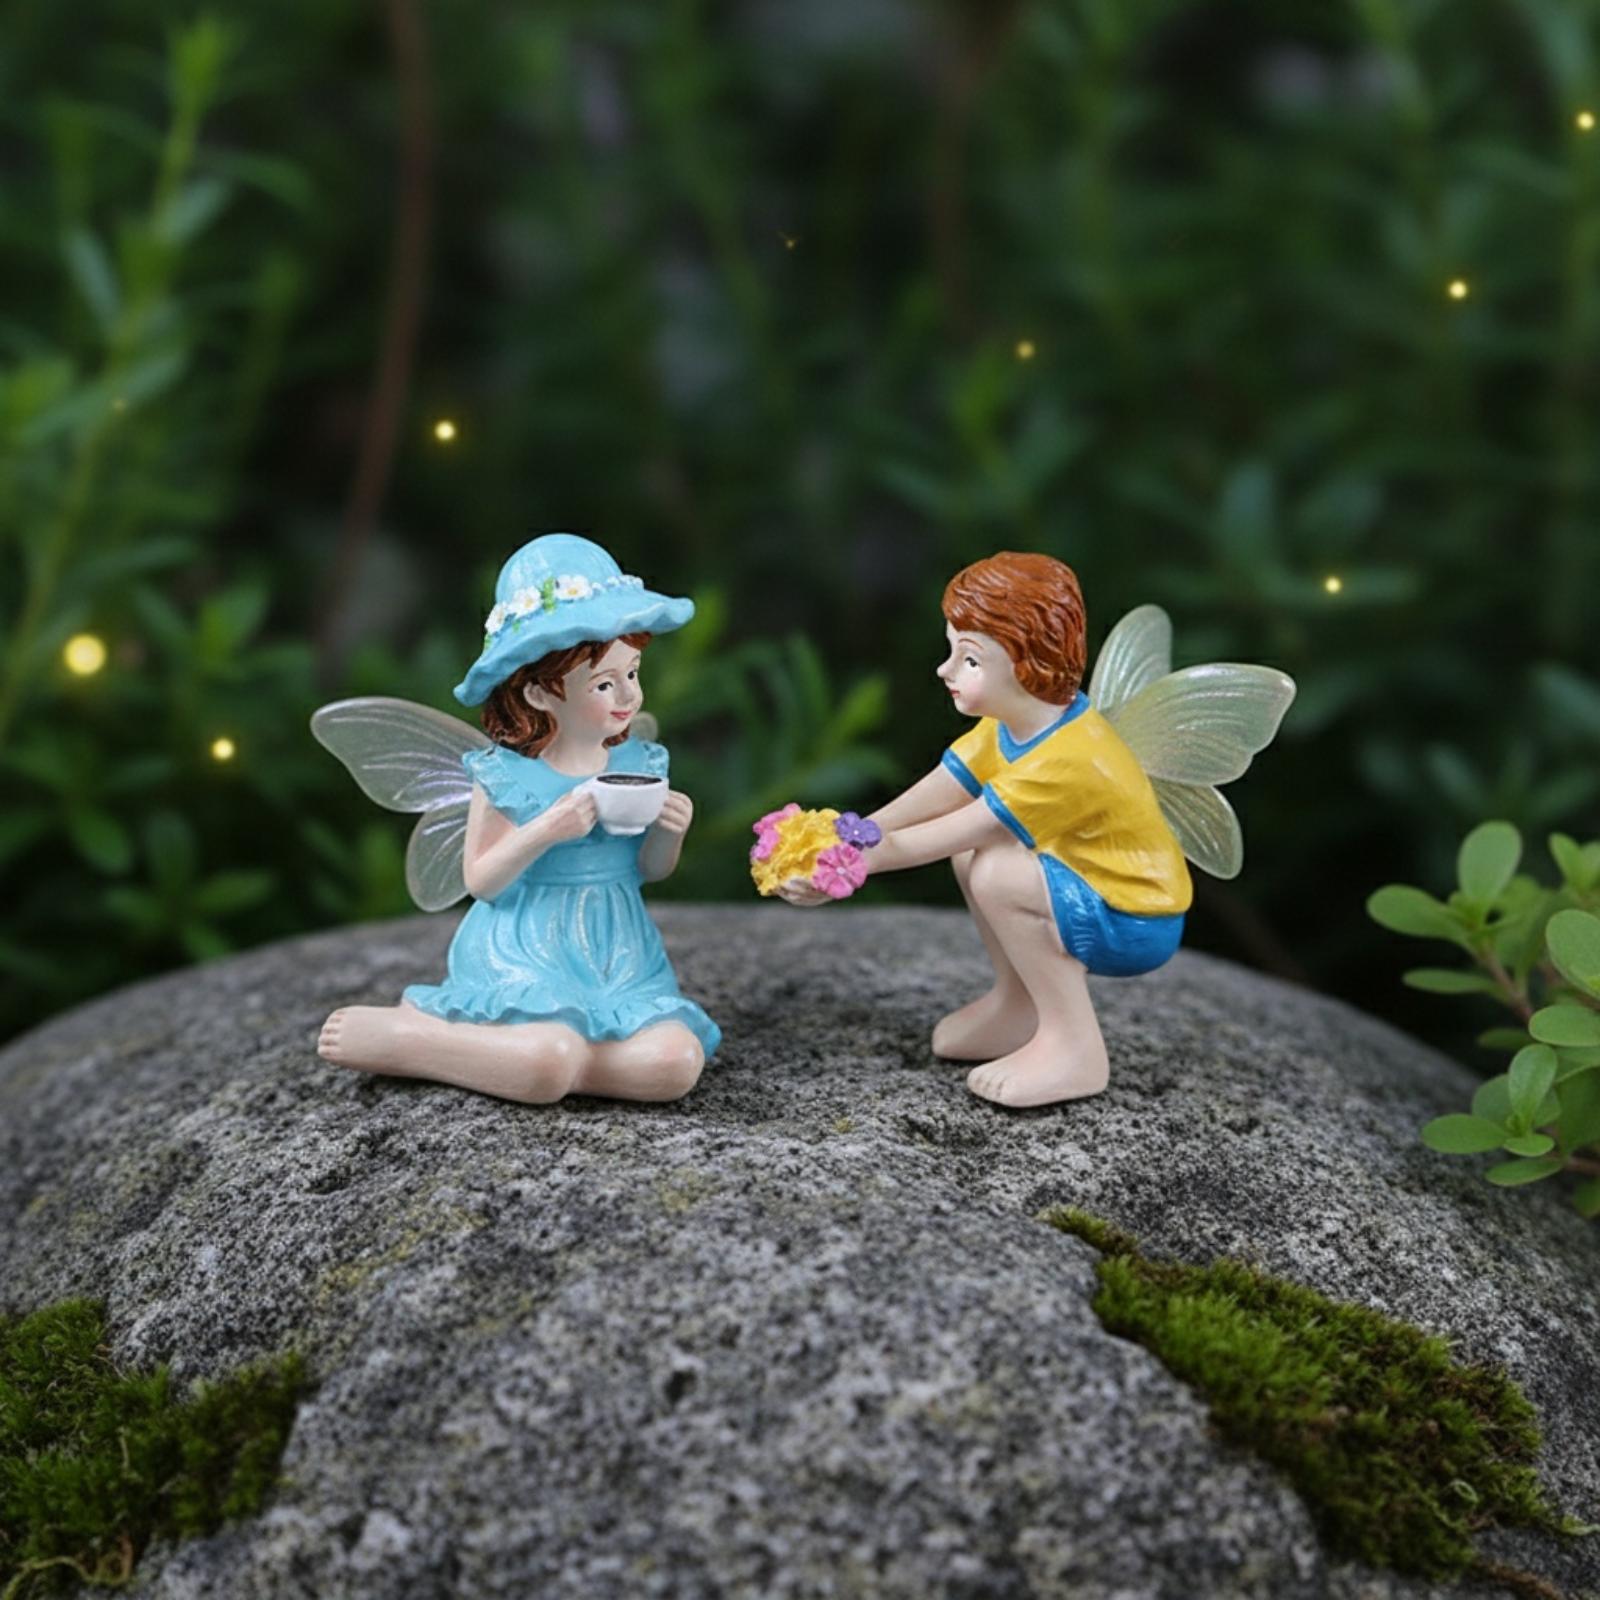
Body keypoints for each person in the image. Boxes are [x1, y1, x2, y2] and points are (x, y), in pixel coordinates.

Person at [780, 552, 1193, 1109]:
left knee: (996, 869)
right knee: (975, 860)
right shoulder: (1008, 726)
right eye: (952, 651)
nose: (944, 670)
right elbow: (936, 794)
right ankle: (1017, 1006)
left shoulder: (1068, 759)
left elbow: (956, 829)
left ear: (1025, 665)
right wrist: (853, 832)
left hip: (1134, 913)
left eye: (969, 659)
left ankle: (1075, 1047)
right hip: (1083, 880)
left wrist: (850, 865)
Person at [316, 533, 719, 1104]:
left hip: (620, 951)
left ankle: (560, 1062)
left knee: (674, 1063)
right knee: (547, 1060)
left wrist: (669, 833)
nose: (627, 696)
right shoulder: (505, 775)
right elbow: (481, 880)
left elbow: (648, 869)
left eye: (632, 673)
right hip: (526, 949)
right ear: (537, 695)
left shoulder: (639, 762)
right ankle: (410, 1038)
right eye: (604, 684)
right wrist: (547, 829)